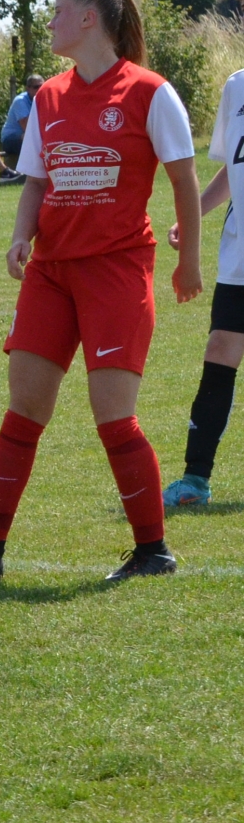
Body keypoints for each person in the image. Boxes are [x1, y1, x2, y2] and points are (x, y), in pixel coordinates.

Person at [0, 0, 200, 590]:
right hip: (51, 273)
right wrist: (21, 236)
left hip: (116, 269)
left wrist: (190, 262)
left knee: (113, 415)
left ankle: (153, 549)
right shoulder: (48, 96)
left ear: (90, 19)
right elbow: (36, 183)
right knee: (24, 410)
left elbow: (184, 180)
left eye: (59, 11)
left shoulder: (150, 92)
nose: (50, 22)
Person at [159, 61, 244, 507]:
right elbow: (234, 167)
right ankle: (195, 480)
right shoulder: (237, 87)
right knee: (219, 351)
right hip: (239, 254)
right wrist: (195, 211)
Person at [0, 73, 43, 168]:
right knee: (29, 138)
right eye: (36, 87)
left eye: (42, 86)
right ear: (28, 88)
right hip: (10, 139)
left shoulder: (44, 100)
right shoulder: (20, 101)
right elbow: (28, 128)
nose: (40, 89)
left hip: (27, 137)